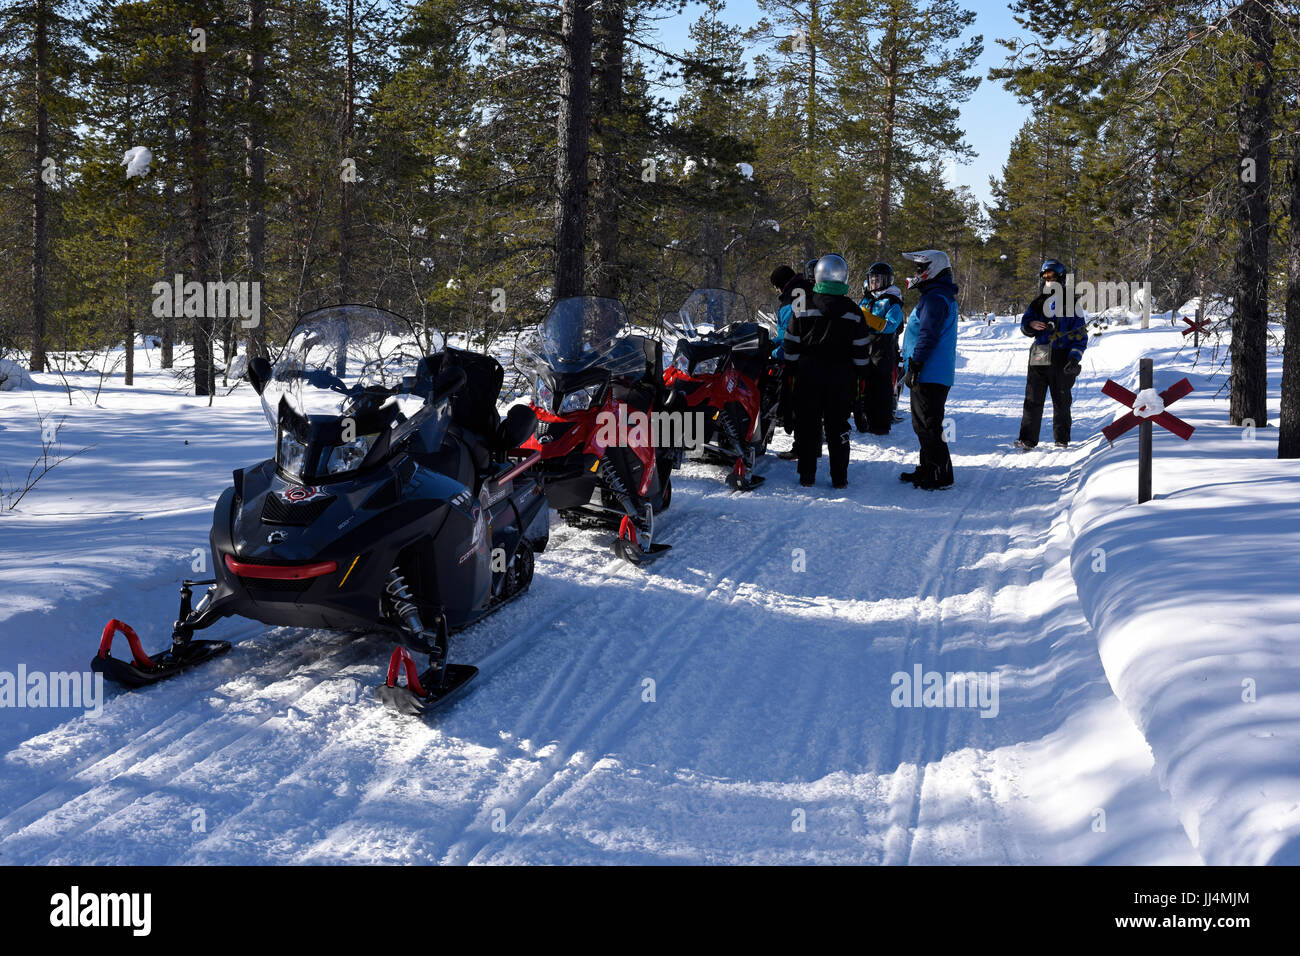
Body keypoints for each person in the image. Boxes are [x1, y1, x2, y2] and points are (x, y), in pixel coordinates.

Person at [784, 254, 877, 488]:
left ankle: (807, 475)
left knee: (808, 426)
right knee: (838, 427)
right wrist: (862, 376)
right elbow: (861, 350)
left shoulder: (801, 305)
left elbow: (791, 343)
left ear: (818, 275)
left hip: (808, 376)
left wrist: (791, 370)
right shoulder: (854, 311)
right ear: (843, 276)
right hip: (841, 378)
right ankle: (839, 477)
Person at [897, 250, 959, 490]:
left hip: (930, 371)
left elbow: (928, 334)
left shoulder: (935, 298)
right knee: (924, 423)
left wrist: (916, 363)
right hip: (933, 371)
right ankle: (929, 467)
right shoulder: (936, 294)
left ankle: (941, 474)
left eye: (920, 268)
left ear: (932, 269)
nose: (916, 273)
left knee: (929, 424)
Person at [1014, 258, 1088, 450]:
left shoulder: (1072, 304)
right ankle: (1027, 439)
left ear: (1061, 278)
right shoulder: (1038, 302)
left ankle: (1061, 439)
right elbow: (1025, 323)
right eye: (1045, 276)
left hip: (1062, 355)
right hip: (1040, 351)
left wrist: (1074, 358)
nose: (1048, 279)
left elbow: (1080, 336)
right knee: (1033, 397)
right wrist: (1030, 325)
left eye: (1052, 275)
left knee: (1061, 398)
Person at [770, 264, 814, 460]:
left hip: (797, 359)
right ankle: (807, 445)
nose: (776, 291)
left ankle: (802, 448)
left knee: (798, 406)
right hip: (810, 356)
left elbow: (791, 332)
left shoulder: (793, 299)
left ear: (781, 284)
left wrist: (771, 349)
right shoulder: (803, 290)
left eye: (775, 286)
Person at [857, 262, 905, 435]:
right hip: (865, 345)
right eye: (873, 279)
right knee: (867, 385)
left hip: (883, 348)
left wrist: (869, 319)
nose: (875, 282)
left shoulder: (892, 301)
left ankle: (881, 424)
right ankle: (868, 419)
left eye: (879, 279)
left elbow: (891, 325)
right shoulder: (868, 298)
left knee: (881, 387)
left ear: (887, 281)